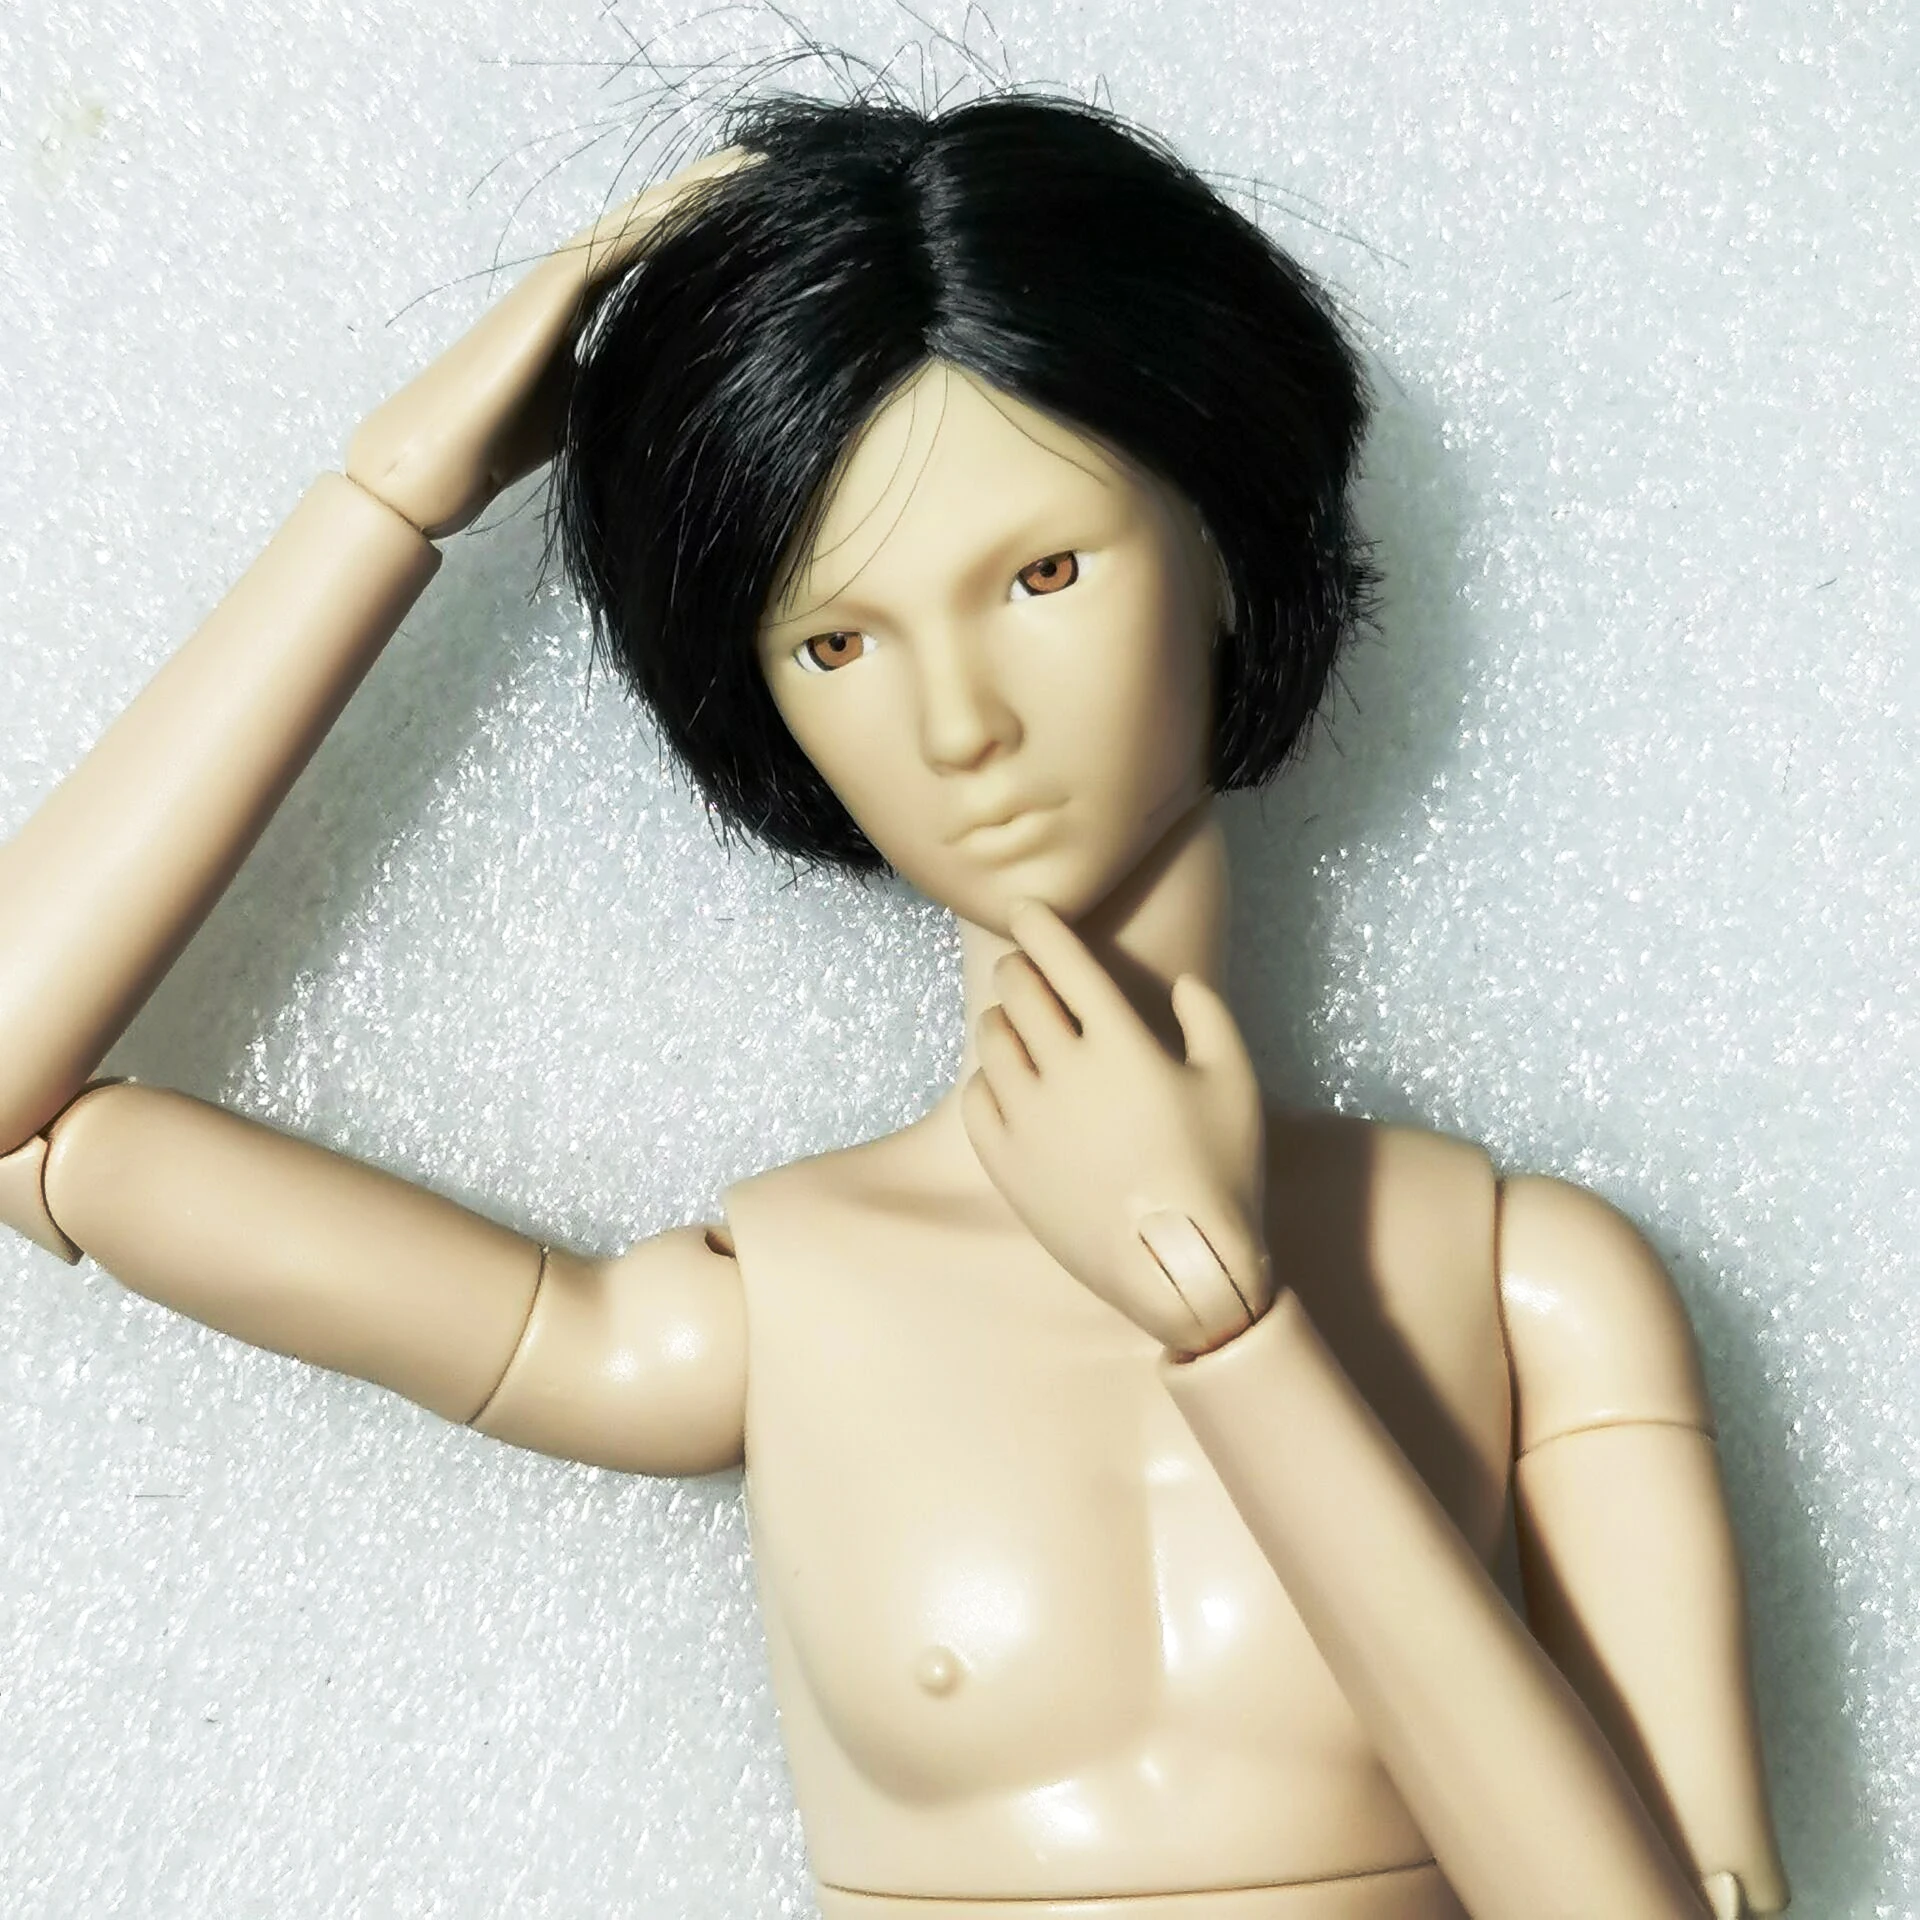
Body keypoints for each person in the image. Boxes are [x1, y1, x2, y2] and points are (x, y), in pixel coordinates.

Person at [0, 92, 1788, 1920]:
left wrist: (1230, 1323)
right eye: (838, 640)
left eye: (1044, 574)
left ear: (1224, 549)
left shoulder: (1525, 1283)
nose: (960, 723)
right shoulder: (783, 1303)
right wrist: (393, 492)